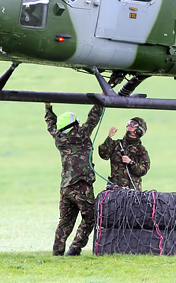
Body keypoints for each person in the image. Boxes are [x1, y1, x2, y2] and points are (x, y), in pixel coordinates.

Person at [44, 101, 104, 256]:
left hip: (65, 187)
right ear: (75, 124)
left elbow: (51, 125)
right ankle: (75, 248)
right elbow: (93, 118)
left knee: (64, 222)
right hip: (81, 185)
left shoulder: (59, 138)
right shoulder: (81, 134)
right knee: (90, 218)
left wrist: (48, 107)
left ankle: (57, 253)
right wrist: (101, 101)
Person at [97, 116, 150, 190]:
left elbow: (143, 170)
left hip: (132, 191)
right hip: (115, 189)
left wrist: (131, 162)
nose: (129, 126)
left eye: (133, 125)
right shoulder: (117, 144)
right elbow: (103, 154)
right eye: (129, 124)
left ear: (139, 131)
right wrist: (109, 138)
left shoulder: (141, 150)